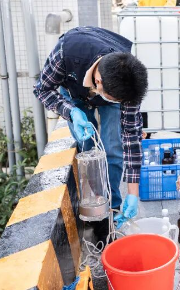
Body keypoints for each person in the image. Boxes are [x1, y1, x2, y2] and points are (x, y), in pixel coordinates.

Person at [33, 26, 148, 225]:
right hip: (75, 88)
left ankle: (112, 208)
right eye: (116, 100)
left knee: (113, 148)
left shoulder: (128, 83)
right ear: (98, 81)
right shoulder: (66, 52)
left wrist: (133, 193)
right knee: (88, 148)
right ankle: (96, 203)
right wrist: (71, 111)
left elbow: (131, 136)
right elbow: (42, 89)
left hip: (110, 89)